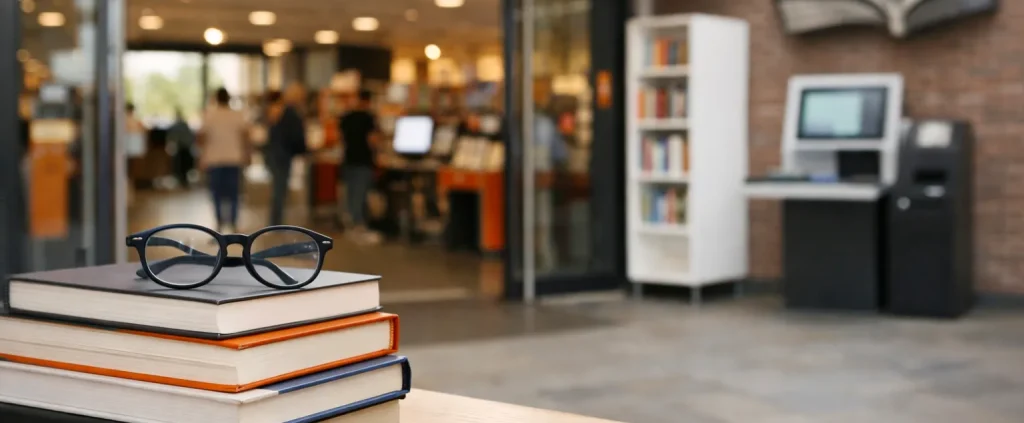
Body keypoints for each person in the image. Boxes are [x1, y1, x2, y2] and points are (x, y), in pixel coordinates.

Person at [198, 88, 249, 233]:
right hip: (234, 158)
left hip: (214, 159)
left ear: (216, 98)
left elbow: (202, 138)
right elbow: (245, 136)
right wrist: (247, 154)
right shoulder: (237, 115)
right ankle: (233, 222)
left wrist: (202, 157)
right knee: (234, 193)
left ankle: (219, 221)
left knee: (216, 193)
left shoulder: (209, 115)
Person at [339, 90, 383, 244]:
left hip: (348, 160)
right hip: (363, 160)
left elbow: (341, 138)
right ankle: (358, 226)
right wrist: (378, 153)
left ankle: (351, 224)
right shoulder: (369, 118)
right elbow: (373, 140)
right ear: (368, 101)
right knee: (360, 194)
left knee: (351, 194)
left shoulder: (346, 117)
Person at [264, 84, 307, 226]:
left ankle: (275, 221)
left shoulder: (277, 111)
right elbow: (295, 136)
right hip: (282, 156)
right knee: (280, 189)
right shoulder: (290, 113)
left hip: (275, 154)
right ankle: (276, 222)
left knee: (278, 188)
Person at [166, 109, 195, 188]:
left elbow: (171, 137)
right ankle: (183, 180)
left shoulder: (177, 126)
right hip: (184, 148)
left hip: (181, 148)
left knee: (180, 165)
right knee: (184, 166)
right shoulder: (184, 126)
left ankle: (182, 180)